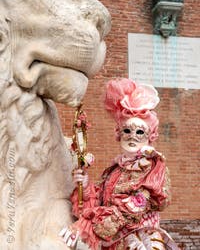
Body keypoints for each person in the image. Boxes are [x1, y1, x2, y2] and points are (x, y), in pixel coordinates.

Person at [60, 78, 179, 250]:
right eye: (127, 130)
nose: (132, 136)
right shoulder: (115, 170)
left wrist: (87, 227)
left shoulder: (153, 167)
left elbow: (131, 208)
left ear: (150, 136)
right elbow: (100, 200)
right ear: (119, 133)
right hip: (113, 243)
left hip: (141, 242)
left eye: (140, 131)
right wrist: (85, 187)